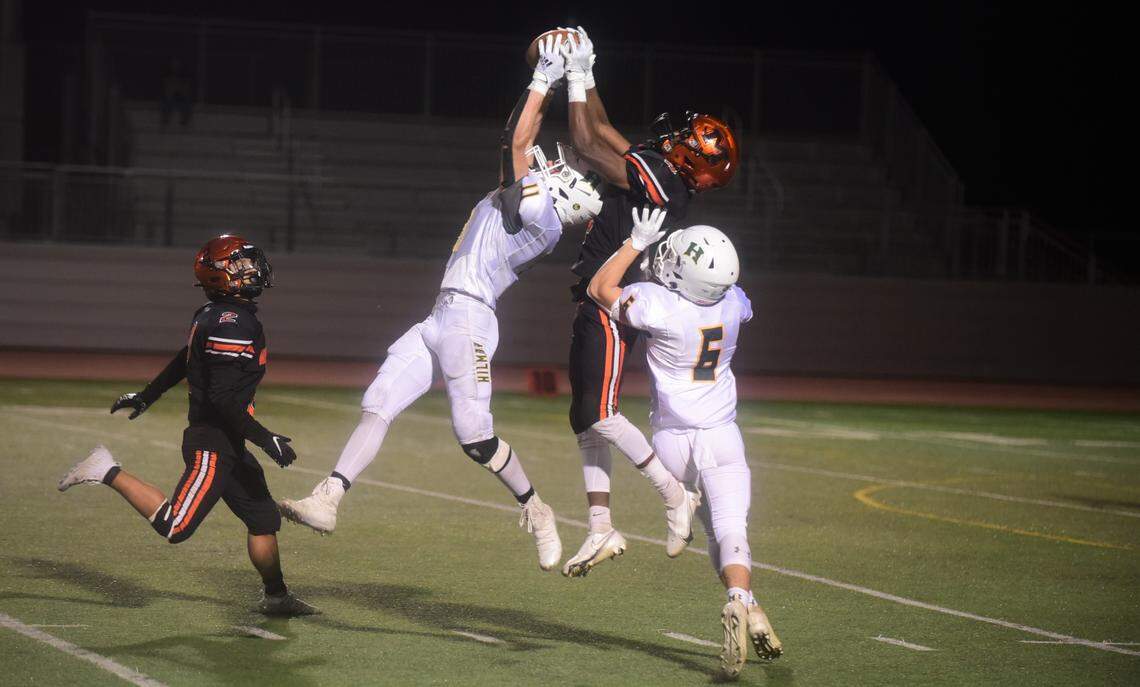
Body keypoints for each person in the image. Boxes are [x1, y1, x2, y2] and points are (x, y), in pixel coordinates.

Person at [278, 36, 603, 572]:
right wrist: (540, 87)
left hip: (471, 318)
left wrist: (544, 79)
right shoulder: (521, 198)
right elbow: (513, 142)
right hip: (440, 315)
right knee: (379, 400)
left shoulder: (542, 216)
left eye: (560, 170)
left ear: (562, 194)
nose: (552, 163)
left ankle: (537, 509)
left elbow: (521, 144)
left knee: (473, 436)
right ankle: (329, 497)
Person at [558, 27, 741, 577]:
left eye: (685, 136)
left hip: (611, 300)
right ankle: (599, 528)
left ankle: (672, 493)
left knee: (599, 413)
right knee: (583, 418)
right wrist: (587, 69)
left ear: (688, 155)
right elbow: (607, 131)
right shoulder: (663, 171)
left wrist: (568, 77)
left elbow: (588, 144)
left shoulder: (664, 180)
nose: (674, 134)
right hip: (596, 292)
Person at [58, 234, 316, 616]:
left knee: (262, 519)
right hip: (212, 443)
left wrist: (148, 394)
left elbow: (186, 358)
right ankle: (105, 469)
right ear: (219, 276)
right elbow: (223, 400)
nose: (251, 270)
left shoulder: (213, 315)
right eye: (240, 266)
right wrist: (267, 438)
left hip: (228, 442)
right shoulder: (233, 322)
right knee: (176, 526)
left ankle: (276, 597)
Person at [587, 208, 781, 679]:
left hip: (672, 443)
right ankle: (739, 598)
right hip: (722, 435)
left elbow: (598, 288)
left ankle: (748, 606)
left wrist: (634, 242)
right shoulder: (734, 303)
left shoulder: (658, 303)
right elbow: (727, 291)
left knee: (705, 522)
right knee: (731, 528)